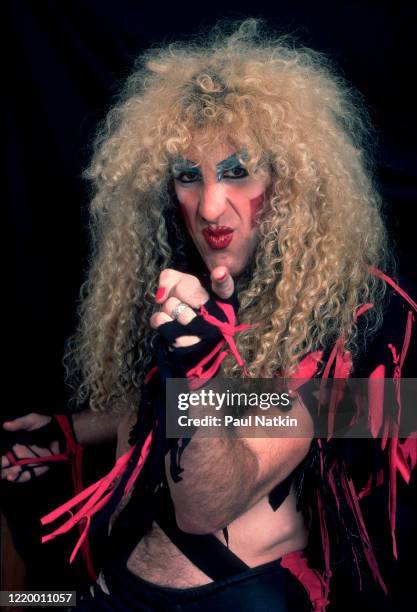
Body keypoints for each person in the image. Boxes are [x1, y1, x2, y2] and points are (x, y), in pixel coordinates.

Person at [2, 19, 416, 611]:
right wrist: (72, 430)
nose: (210, 206)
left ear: (290, 178)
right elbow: (216, 402)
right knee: (22, 603)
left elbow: (208, 504)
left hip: (234, 597)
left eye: (237, 170)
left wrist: (197, 372)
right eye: (188, 177)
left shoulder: (354, 307)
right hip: (109, 590)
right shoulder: (192, 287)